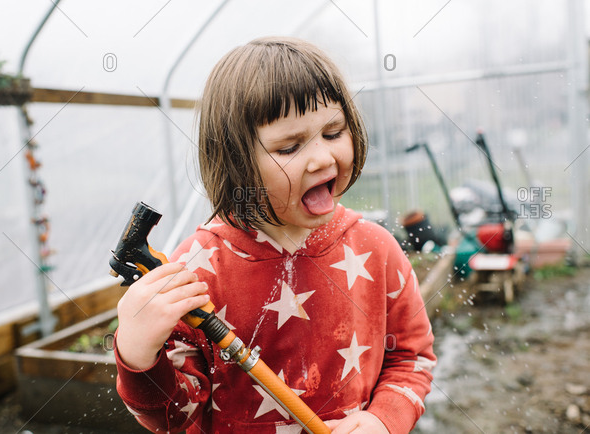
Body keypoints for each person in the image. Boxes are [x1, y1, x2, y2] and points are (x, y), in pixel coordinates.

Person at [114, 36, 436, 434]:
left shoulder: (375, 249)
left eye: (334, 133)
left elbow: (411, 359)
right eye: (289, 147)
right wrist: (136, 353)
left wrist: (383, 419)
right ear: (235, 161)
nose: (322, 158)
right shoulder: (196, 271)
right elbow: (174, 419)